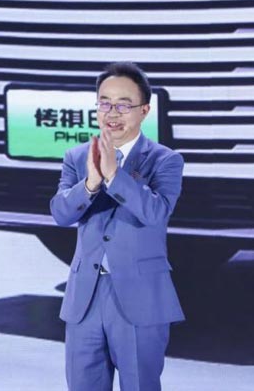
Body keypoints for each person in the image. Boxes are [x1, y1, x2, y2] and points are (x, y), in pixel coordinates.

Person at [50, 62, 184, 391]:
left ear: (144, 110)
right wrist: (90, 184)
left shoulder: (165, 160)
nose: (113, 113)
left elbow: (156, 213)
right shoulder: (77, 156)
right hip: (85, 297)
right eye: (105, 103)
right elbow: (61, 213)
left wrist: (114, 176)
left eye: (123, 105)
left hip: (140, 296)